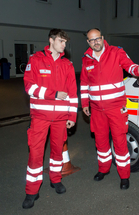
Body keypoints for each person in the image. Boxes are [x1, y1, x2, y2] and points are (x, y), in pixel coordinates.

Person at [80, 28, 139, 190]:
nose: (95, 42)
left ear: (102, 38)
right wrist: (85, 103)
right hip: (97, 110)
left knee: (119, 142)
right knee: (101, 141)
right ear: (88, 42)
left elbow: (129, 66)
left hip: (115, 108)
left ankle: (124, 176)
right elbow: (84, 84)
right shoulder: (86, 59)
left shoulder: (116, 52)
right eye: (92, 40)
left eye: (97, 38)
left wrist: (138, 70)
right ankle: (103, 169)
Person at [22, 29, 78, 209]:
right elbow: (29, 87)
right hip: (40, 118)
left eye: (65, 42)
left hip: (61, 119)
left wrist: (72, 116)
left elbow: (72, 93)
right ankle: (32, 191)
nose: (64, 45)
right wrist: (53, 94)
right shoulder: (36, 60)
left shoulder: (67, 65)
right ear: (51, 40)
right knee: (35, 154)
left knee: (57, 152)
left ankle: (56, 179)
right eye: (61, 41)